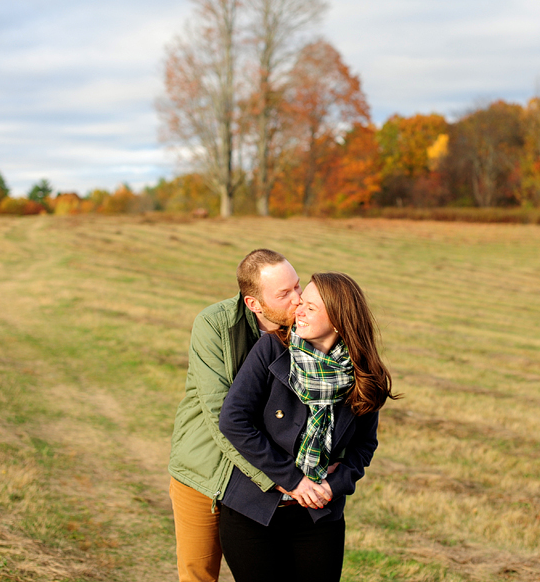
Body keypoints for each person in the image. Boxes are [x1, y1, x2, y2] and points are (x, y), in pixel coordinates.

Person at [218, 272, 397, 582]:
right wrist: (294, 480)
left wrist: (334, 484)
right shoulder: (273, 349)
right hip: (252, 510)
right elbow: (233, 420)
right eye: (301, 303)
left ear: (340, 320)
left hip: (319, 516)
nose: (297, 310)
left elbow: (364, 446)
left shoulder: (366, 375)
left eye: (310, 307)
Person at [168, 249, 302, 582]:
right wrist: (278, 478)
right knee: (198, 574)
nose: (298, 300)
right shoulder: (215, 324)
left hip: (269, 474)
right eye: (284, 294)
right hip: (207, 471)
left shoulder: (307, 326)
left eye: (298, 286)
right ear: (253, 304)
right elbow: (221, 416)